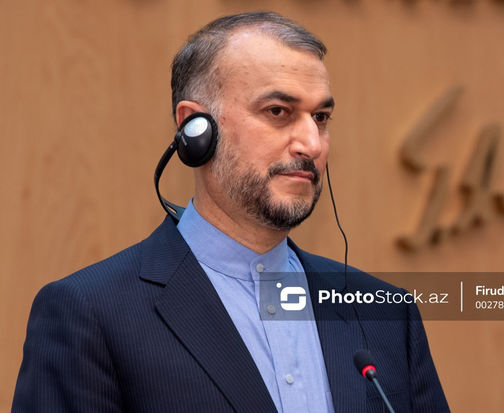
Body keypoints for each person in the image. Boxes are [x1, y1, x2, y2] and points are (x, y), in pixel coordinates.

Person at [12, 11, 449, 413]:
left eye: (320, 117)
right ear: (195, 128)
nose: (312, 144)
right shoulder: (89, 313)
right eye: (278, 111)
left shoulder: (386, 313)